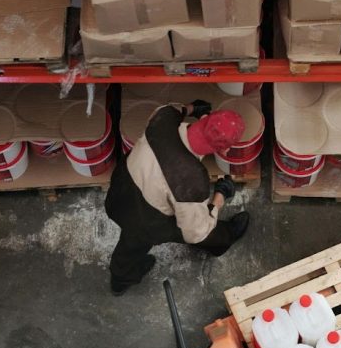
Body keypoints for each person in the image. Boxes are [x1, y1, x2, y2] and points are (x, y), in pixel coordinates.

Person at [104, 100, 250, 295]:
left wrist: (191, 108)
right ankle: (224, 240)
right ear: (224, 150)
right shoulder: (191, 179)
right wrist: (220, 196)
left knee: (130, 244)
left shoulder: (163, 118)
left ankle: (119, 282)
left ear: (204, 119)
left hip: (120, 192)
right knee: (207, 229)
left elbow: (173, 109)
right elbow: (194, 233)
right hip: (146, 219)